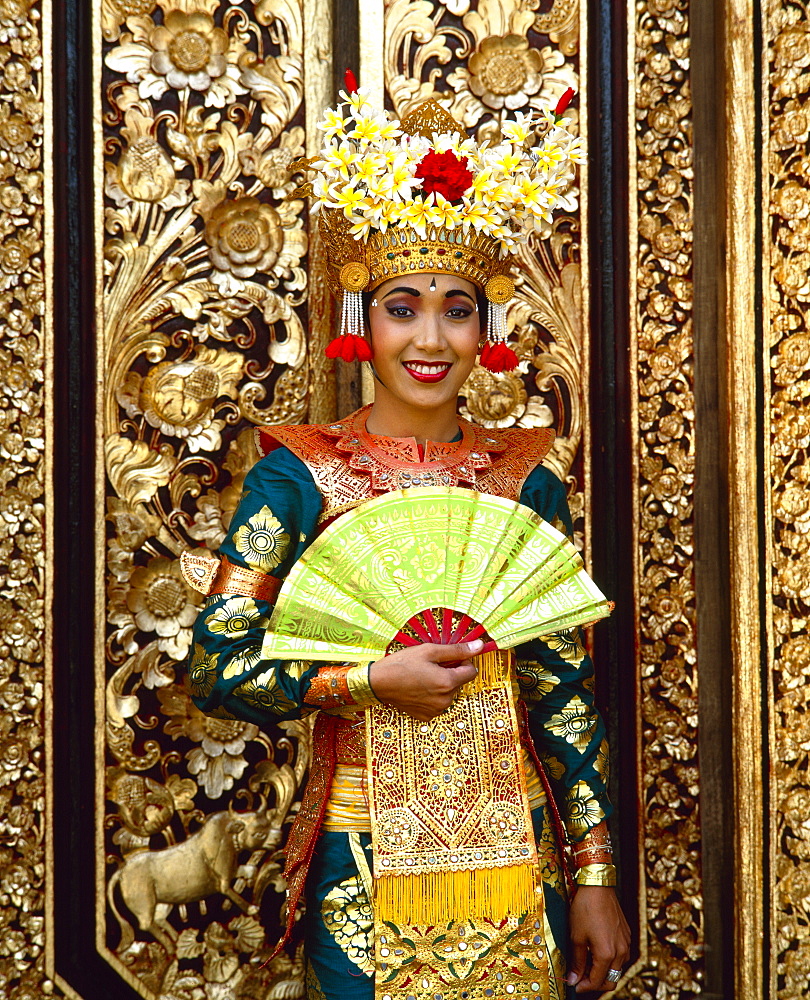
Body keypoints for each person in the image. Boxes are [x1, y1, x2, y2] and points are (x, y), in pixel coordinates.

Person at [186, 87, 630, 1000]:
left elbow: (565, 700)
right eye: (403, 307)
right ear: (363, 322)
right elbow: (216, 668)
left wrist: (593, 877)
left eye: (457, 309)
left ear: (487, 329)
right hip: (364, 859)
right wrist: (365, 681)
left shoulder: (525, 482)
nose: (431, 338)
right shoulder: (297, 478)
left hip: (518, 862)